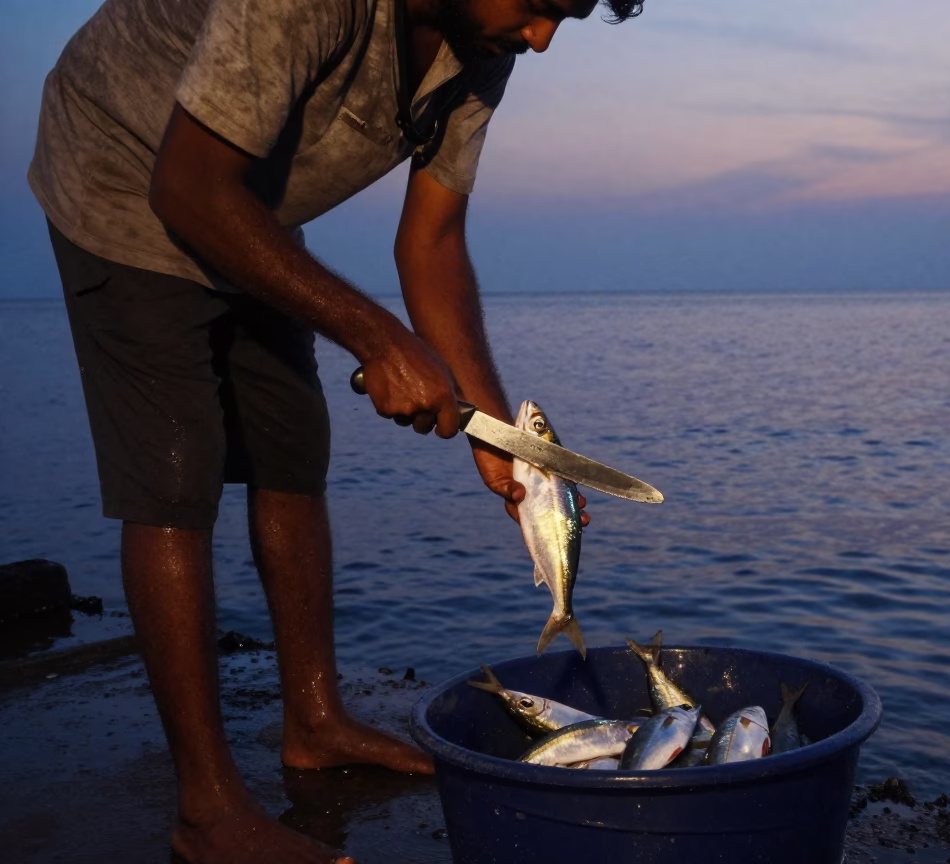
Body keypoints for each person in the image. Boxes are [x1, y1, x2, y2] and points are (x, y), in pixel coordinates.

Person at [27, 0, 640, 861]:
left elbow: (432, 243)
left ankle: (314, 720)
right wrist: (380, 337)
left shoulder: (483, 48)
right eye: (540, 5)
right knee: (175, 473)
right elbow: (188, 188)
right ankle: (206, 810)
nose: (542, 38)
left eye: (563, 18)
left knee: (290, 445)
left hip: (246, 202)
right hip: (128, 173)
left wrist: (497, 433)